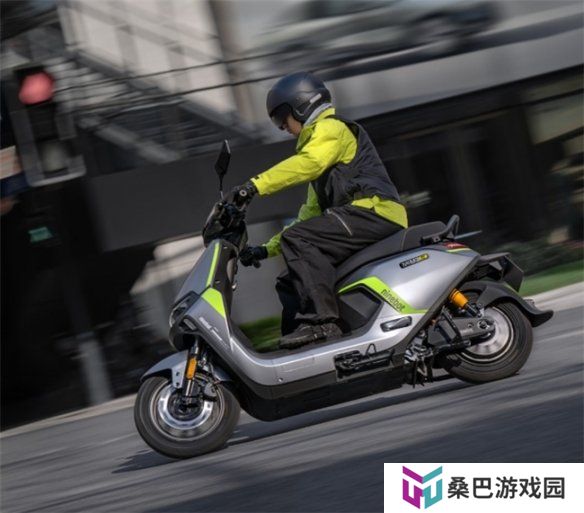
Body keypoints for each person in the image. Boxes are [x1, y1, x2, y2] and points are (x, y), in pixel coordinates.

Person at [231, 71, 408, 349]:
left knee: (299, 239)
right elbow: (310, 214)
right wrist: (265, 250)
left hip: (375, 212)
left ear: (301, 106)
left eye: (282, 119)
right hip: (354, 218)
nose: (283, 128)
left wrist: (254, 186)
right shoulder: (322, 155)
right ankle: (298, 348)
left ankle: (322, 325)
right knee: (289, 278)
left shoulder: (331, 129)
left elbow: (309, 163)